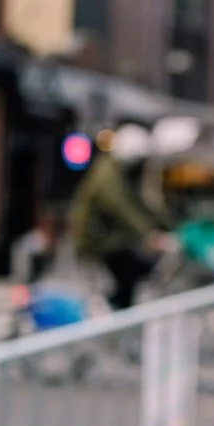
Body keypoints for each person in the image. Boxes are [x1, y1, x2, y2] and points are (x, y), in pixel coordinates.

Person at [67, 123, 171, 310]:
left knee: (131, 273)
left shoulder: (118, 173)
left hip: (109, 240)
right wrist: (148, 233)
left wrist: (164, 224)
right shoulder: (108, 175)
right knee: (130, 270)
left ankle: (119, 307)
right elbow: (121, 208)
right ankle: (116, 311)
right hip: (98, 241)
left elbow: (138, 204)